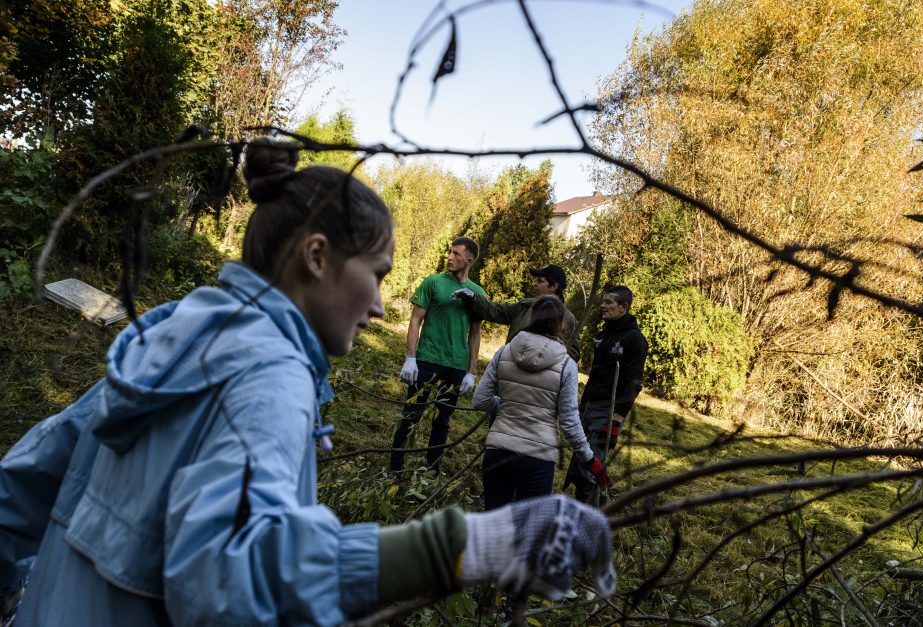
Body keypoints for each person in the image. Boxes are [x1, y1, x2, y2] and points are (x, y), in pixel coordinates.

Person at [0, 141, 618, 626]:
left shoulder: (175, 335)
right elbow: (228, 583)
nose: (379, 305)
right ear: (316, 257)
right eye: (375, 274)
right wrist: (475, 543)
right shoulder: (268, 374)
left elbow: (24, 482)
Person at [472, 296, 609, 511]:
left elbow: (480, 399)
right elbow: (569, 423)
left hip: (498, 452)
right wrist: (591, 461)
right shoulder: (567, 365)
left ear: (531, 318)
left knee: (495, 524)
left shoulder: (504, 351)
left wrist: (505, 405)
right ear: (560, 324)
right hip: (537, 460)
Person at [389, 237, 485, 475]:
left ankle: (431, 471)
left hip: (456, 366)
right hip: (426, 360)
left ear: (469, 260)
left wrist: (471, 372)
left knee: (442, 421)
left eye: (456, 254)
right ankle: (394, 470)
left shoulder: (477, 293)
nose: (450, 257)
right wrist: (410, 357)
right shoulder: (433, 282)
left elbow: (475, 334)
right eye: (449, 252)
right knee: (411, 415)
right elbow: (415, 320)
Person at [566, 285, 648, 503]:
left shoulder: (634, 339)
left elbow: (634, 383)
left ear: (623, 307)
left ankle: (591, 521)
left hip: (608, 411)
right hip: (589, 406)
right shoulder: (603, 334)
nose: (603, 305)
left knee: (590, 468)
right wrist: (582, 406)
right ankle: (587, 509)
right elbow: (595, 375)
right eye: (603, 301)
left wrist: (617, 419)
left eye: (609, 302)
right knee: (580, 461)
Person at [452, 264, 581, 361]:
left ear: (554, 287)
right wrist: (474, 298)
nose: (535, 285)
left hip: (541, 386)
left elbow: (572, 355)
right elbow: (496, 311)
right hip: (512, 371)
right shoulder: (525, 306)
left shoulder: (569, 320)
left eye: (540, 281)